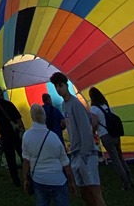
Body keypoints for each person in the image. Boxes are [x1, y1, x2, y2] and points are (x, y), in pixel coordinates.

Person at [50, 72, 106, 206]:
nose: (58, 89)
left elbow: (85, 130)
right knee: (84, 192)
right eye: (56, 87)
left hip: (85, 153)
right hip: (75, 153)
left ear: (66, 85)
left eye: (60, 85)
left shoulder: (76, 104)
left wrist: (85, 153)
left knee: (94, 191)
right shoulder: (64, 105)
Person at [22, 103, 76, 206]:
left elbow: (26, 161)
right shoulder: (54, 137)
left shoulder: (27, 136)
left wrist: (25, 178)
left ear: (32, 117)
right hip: (57, 179)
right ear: (44, 117)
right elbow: (65, 163)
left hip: (38, 178)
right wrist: (71, 181)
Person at [87, 87, 133, 190]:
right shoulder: (106, 106)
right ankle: (129, 178)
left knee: (115, 160)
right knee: (120, 157)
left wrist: (92, 132)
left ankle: (126, 183)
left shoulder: (94, 109)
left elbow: (94, 123)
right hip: (115, 134)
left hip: (106, 136)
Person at [0, 85, 24, 187]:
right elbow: (19, 119)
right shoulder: (9, 104)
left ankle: (16, 181)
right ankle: (28, 175)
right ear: (2, 94)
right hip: (14, 134)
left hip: (5, 135)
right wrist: (21, 129)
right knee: (22, 154)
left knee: (10, 158)